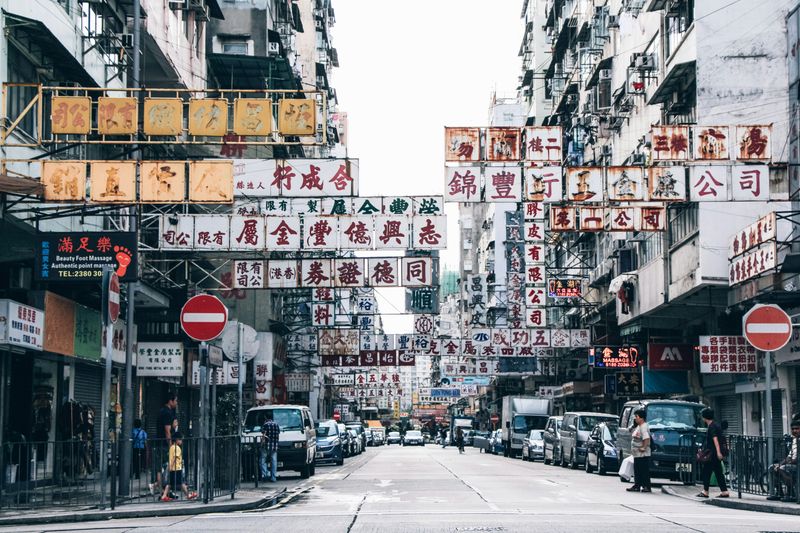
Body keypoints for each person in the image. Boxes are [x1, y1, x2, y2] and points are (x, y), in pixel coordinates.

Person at [697, 408, 730, 498]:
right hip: (715, 454)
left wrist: (719, 452)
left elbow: (715, 439)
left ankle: (705, 491)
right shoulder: (716, 425)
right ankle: (724, 491)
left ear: (705, 417)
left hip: (712, 454)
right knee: (719, 472)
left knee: (706, 472)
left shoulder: (712, 427)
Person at [150, 394, 177, 495]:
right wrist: (170, 445)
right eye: (176, 401)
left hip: (160, 442)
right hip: (163, 444)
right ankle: (160, 487)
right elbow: (167, 431)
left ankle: (161, 489)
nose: (176, 403)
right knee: (165, 467)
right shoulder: (167, 413)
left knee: (161, 467)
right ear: (170, 401)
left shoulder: (164, 411)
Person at [767, 420, 799, 502]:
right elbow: (789, 456)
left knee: (783, 468)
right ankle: (779, 493)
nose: (794, 431)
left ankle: (792, 493)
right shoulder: (794, 440)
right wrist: (779, 464)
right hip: (792, 463)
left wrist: (786, 464)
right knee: (772, 467)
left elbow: (797, 459)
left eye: (797, 429)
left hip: (798, 465)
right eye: (793, 429)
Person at [160, 432, 197, 501]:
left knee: (170, 484)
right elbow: (174, 458)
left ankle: (164, 496)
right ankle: (188, 495)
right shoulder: (177, 448)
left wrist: (170, 467)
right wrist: (171, 466)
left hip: (173, 468)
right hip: (176, 468)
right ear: (177, 440)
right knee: (181, 483)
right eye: (180, 440)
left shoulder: (171, 447)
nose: (181, 441)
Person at [627, 408, 652, 493]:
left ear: (641, 418)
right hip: (637, 453)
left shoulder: (644, 426)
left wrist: (643, 447)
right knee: (637, 470)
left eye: (636, 416)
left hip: (642, 454)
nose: (635, 418)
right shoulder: (638, 426)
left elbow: (647, 438)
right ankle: (637, 485)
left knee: (643, 470)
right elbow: (630, 431)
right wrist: (633, 425)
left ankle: (646, 486)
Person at [261, 415, 280, 483]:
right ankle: (273, 477)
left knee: (263, 460)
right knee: (274, 461)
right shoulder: (276, 424)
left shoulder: (265, 425)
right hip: (275, 446)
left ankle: (265, 474)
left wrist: (262, 443)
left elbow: (264, 435)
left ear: (266, 419)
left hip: (266, 445)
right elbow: (278, 433)